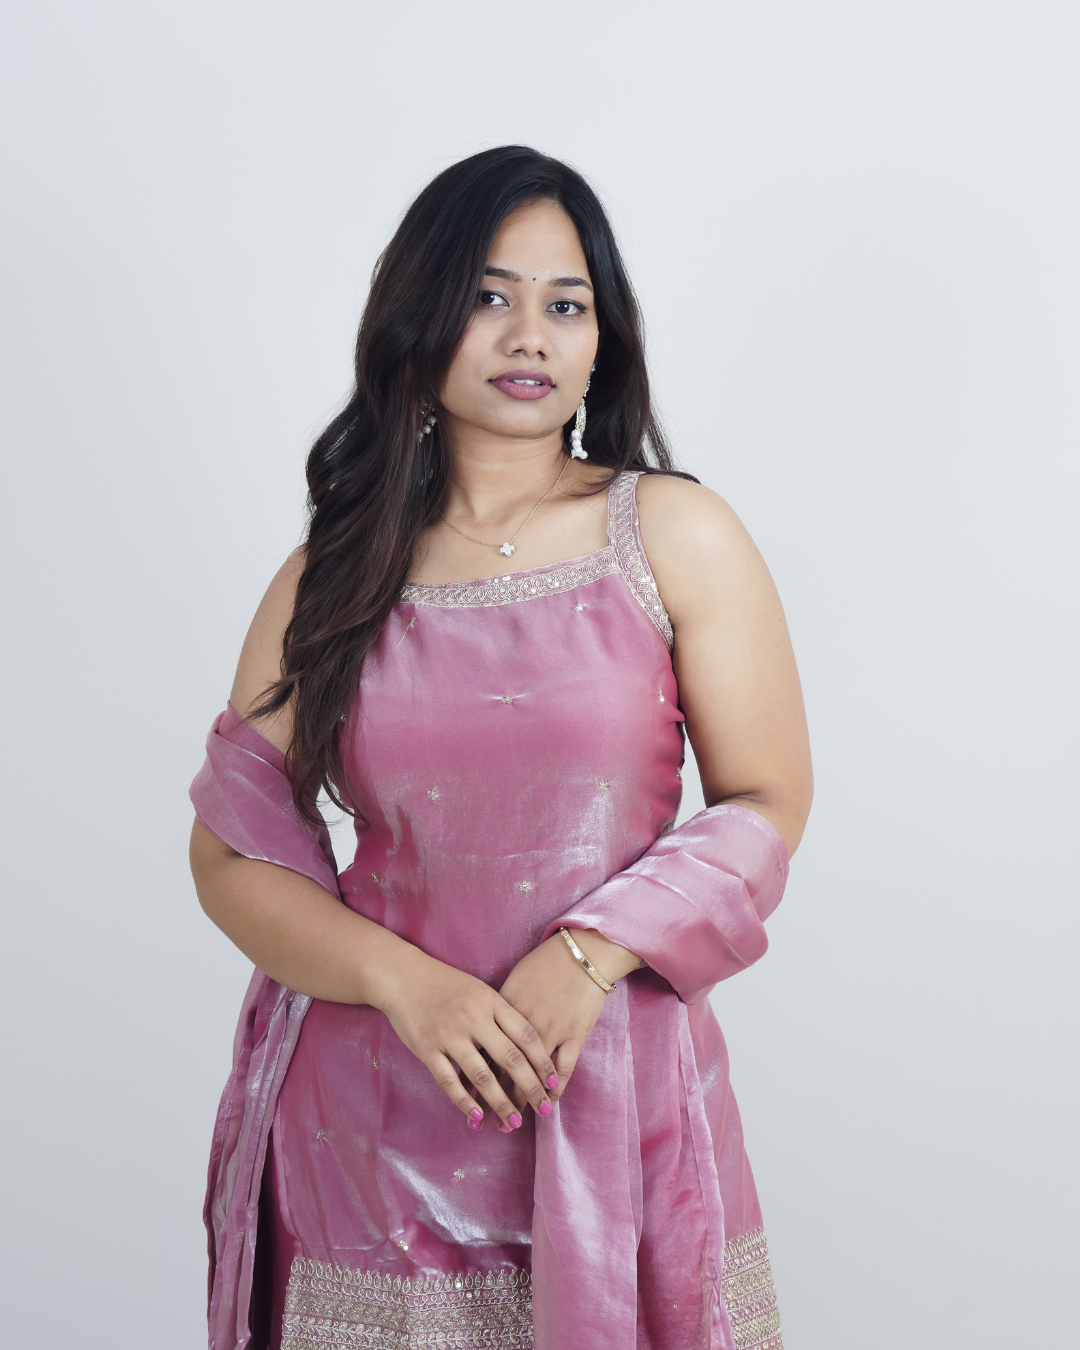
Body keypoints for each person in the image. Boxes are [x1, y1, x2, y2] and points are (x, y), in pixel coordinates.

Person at [189, 145, 812, 1350]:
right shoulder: (334, 575)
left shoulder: (673, 532)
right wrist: (404, 986)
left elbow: (764, 804)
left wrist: (586, 956)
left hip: (612, 1096)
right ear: (420, 320)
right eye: (489, 296)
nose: (530, 332)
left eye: (564, 303)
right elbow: (233, 852)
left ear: (599, 340)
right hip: (370, 1125)